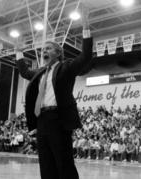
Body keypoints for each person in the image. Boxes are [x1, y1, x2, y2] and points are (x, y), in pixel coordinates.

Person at [15, 4, 92, 179]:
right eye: (43, 49)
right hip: (41, 120)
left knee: (63, 162)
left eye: (48, 49)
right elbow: (24, 72)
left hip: (59, 119)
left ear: (58, 53)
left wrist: (86, 26)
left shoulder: (66, 67)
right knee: (46, 164)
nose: (44, 51)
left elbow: (85, 56)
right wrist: (19, 52)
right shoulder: (40, 72)